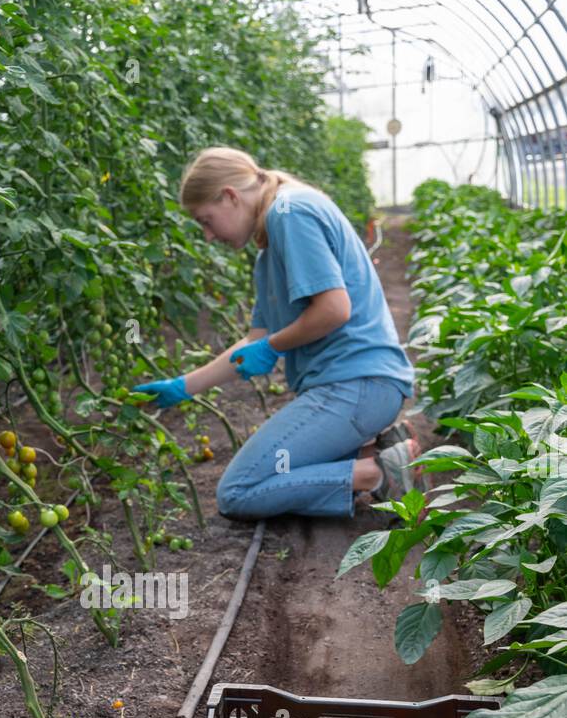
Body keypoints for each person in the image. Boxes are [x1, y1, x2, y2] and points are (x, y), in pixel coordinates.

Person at [132, 146, 418, 518]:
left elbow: (334, 309)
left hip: (358, 387)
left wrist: (273, 345)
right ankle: (372, 451)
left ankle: (376, 473)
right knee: (277, 472)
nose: (207, 235)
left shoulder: (291, 212)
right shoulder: (269, 252)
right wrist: (184, 386)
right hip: (354, 389)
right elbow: (255, 340)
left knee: (238, 491)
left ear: (230, 196)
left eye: (206, 220)